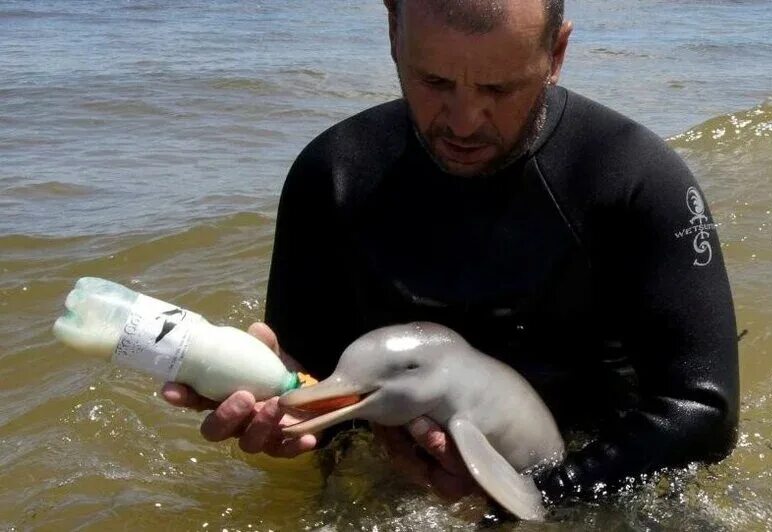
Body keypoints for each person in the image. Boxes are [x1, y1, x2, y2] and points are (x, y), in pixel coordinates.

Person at [163, 0, 739, 509]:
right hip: (400, 483)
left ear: (556, 51)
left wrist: (532, 502)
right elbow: (314, 387)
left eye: (499, 88)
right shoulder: (334, 175)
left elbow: (702, 413)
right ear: (393, 29)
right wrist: (274, 398)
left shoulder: (633, 179)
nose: (463, 123)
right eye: (434, 81)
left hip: (598, 481)